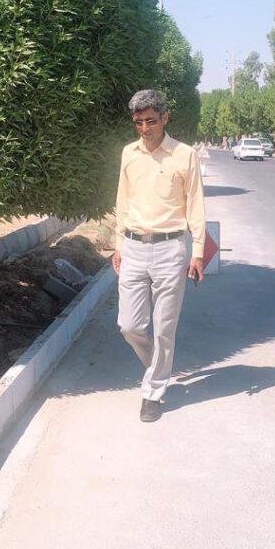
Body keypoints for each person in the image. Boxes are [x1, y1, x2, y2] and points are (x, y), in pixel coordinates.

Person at [114, 89, 206, 422]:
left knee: (164, 326)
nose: (145, 128)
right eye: (138, 122)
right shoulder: (129, 153)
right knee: (129, 325)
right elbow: (122, 201)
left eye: (151, 121)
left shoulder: (185, 155)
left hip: (170, 249)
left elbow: (196, 204)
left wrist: (198, 252)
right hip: (133, 247)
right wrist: (118, 244)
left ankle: (153, 392)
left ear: (165, 118)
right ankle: (159, 365)